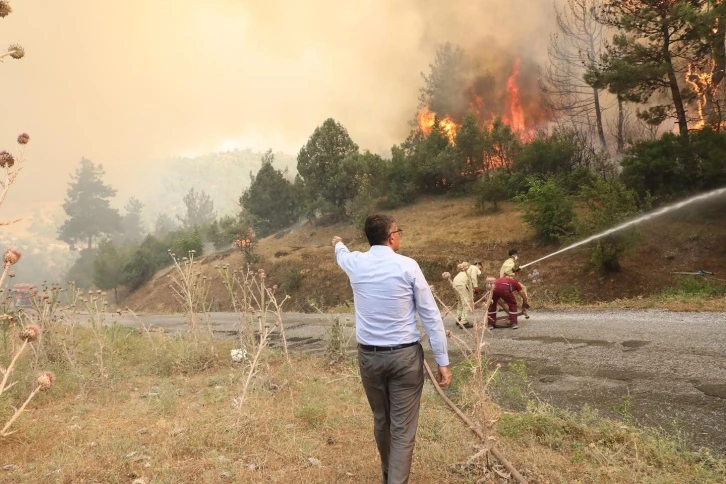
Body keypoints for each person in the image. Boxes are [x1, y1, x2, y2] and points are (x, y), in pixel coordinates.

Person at [332, 214, 451, 484]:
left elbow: (342, 254)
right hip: (405, 358)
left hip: (369, 359)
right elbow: (430, 315)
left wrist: (338, 243)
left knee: (381, 420)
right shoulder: (408, 267)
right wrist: (442, 360)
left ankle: (389, 473)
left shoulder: (355, 263)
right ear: (392, 237)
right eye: (399, 230)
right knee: (403, 428)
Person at [452, 261, 481, 329]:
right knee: (466, 302)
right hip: (462, 284)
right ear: (478, 265)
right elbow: (473, 278)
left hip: (455, 283)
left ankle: (459, 318)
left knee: (460, 301)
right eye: (481, 267)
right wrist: (476, 287)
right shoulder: (474, 268)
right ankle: (464, 321)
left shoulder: (467, 268)